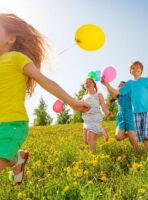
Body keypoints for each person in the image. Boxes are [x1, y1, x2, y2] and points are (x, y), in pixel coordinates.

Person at [0, 13, 90, 186]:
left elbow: (46, 82)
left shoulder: (17, 58)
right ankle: (17, 159)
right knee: (4, 155)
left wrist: (72, 102)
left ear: (10, 38)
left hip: (11, 123)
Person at [101, 61, 148, 153]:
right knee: (143, 136)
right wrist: (106, 84)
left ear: (141, 70)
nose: (136, 69)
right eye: (133, 68)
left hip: (147, 110)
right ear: (130, 71)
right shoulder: (129, 84)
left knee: (146, 135)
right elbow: (117, 92)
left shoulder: (146, 81)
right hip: (136, 112)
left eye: (138, 67)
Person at [82, 78, 112, 153]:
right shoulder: (84, 97)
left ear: (94, 84)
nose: (88, 84)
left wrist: (108, 113)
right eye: (86, 83)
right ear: (85, 86)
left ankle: (94, 157)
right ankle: (102, 131)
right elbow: (79, 106)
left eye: (90, 82)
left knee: (90, 138)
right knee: (86, 141)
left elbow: (104, 107)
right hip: (86, 119)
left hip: (95, 118)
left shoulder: (98, 95)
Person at [110, 81, 139, 150]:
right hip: (120, 117)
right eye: (119, 85)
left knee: (133, 141)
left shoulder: (129, 94)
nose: (120, 86)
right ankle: (132, 134)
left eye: (122, 85)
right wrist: (106, 84)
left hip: (129, 115)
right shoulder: (118, 95)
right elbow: (111, 91)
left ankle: (138, 151)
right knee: (118, 137)